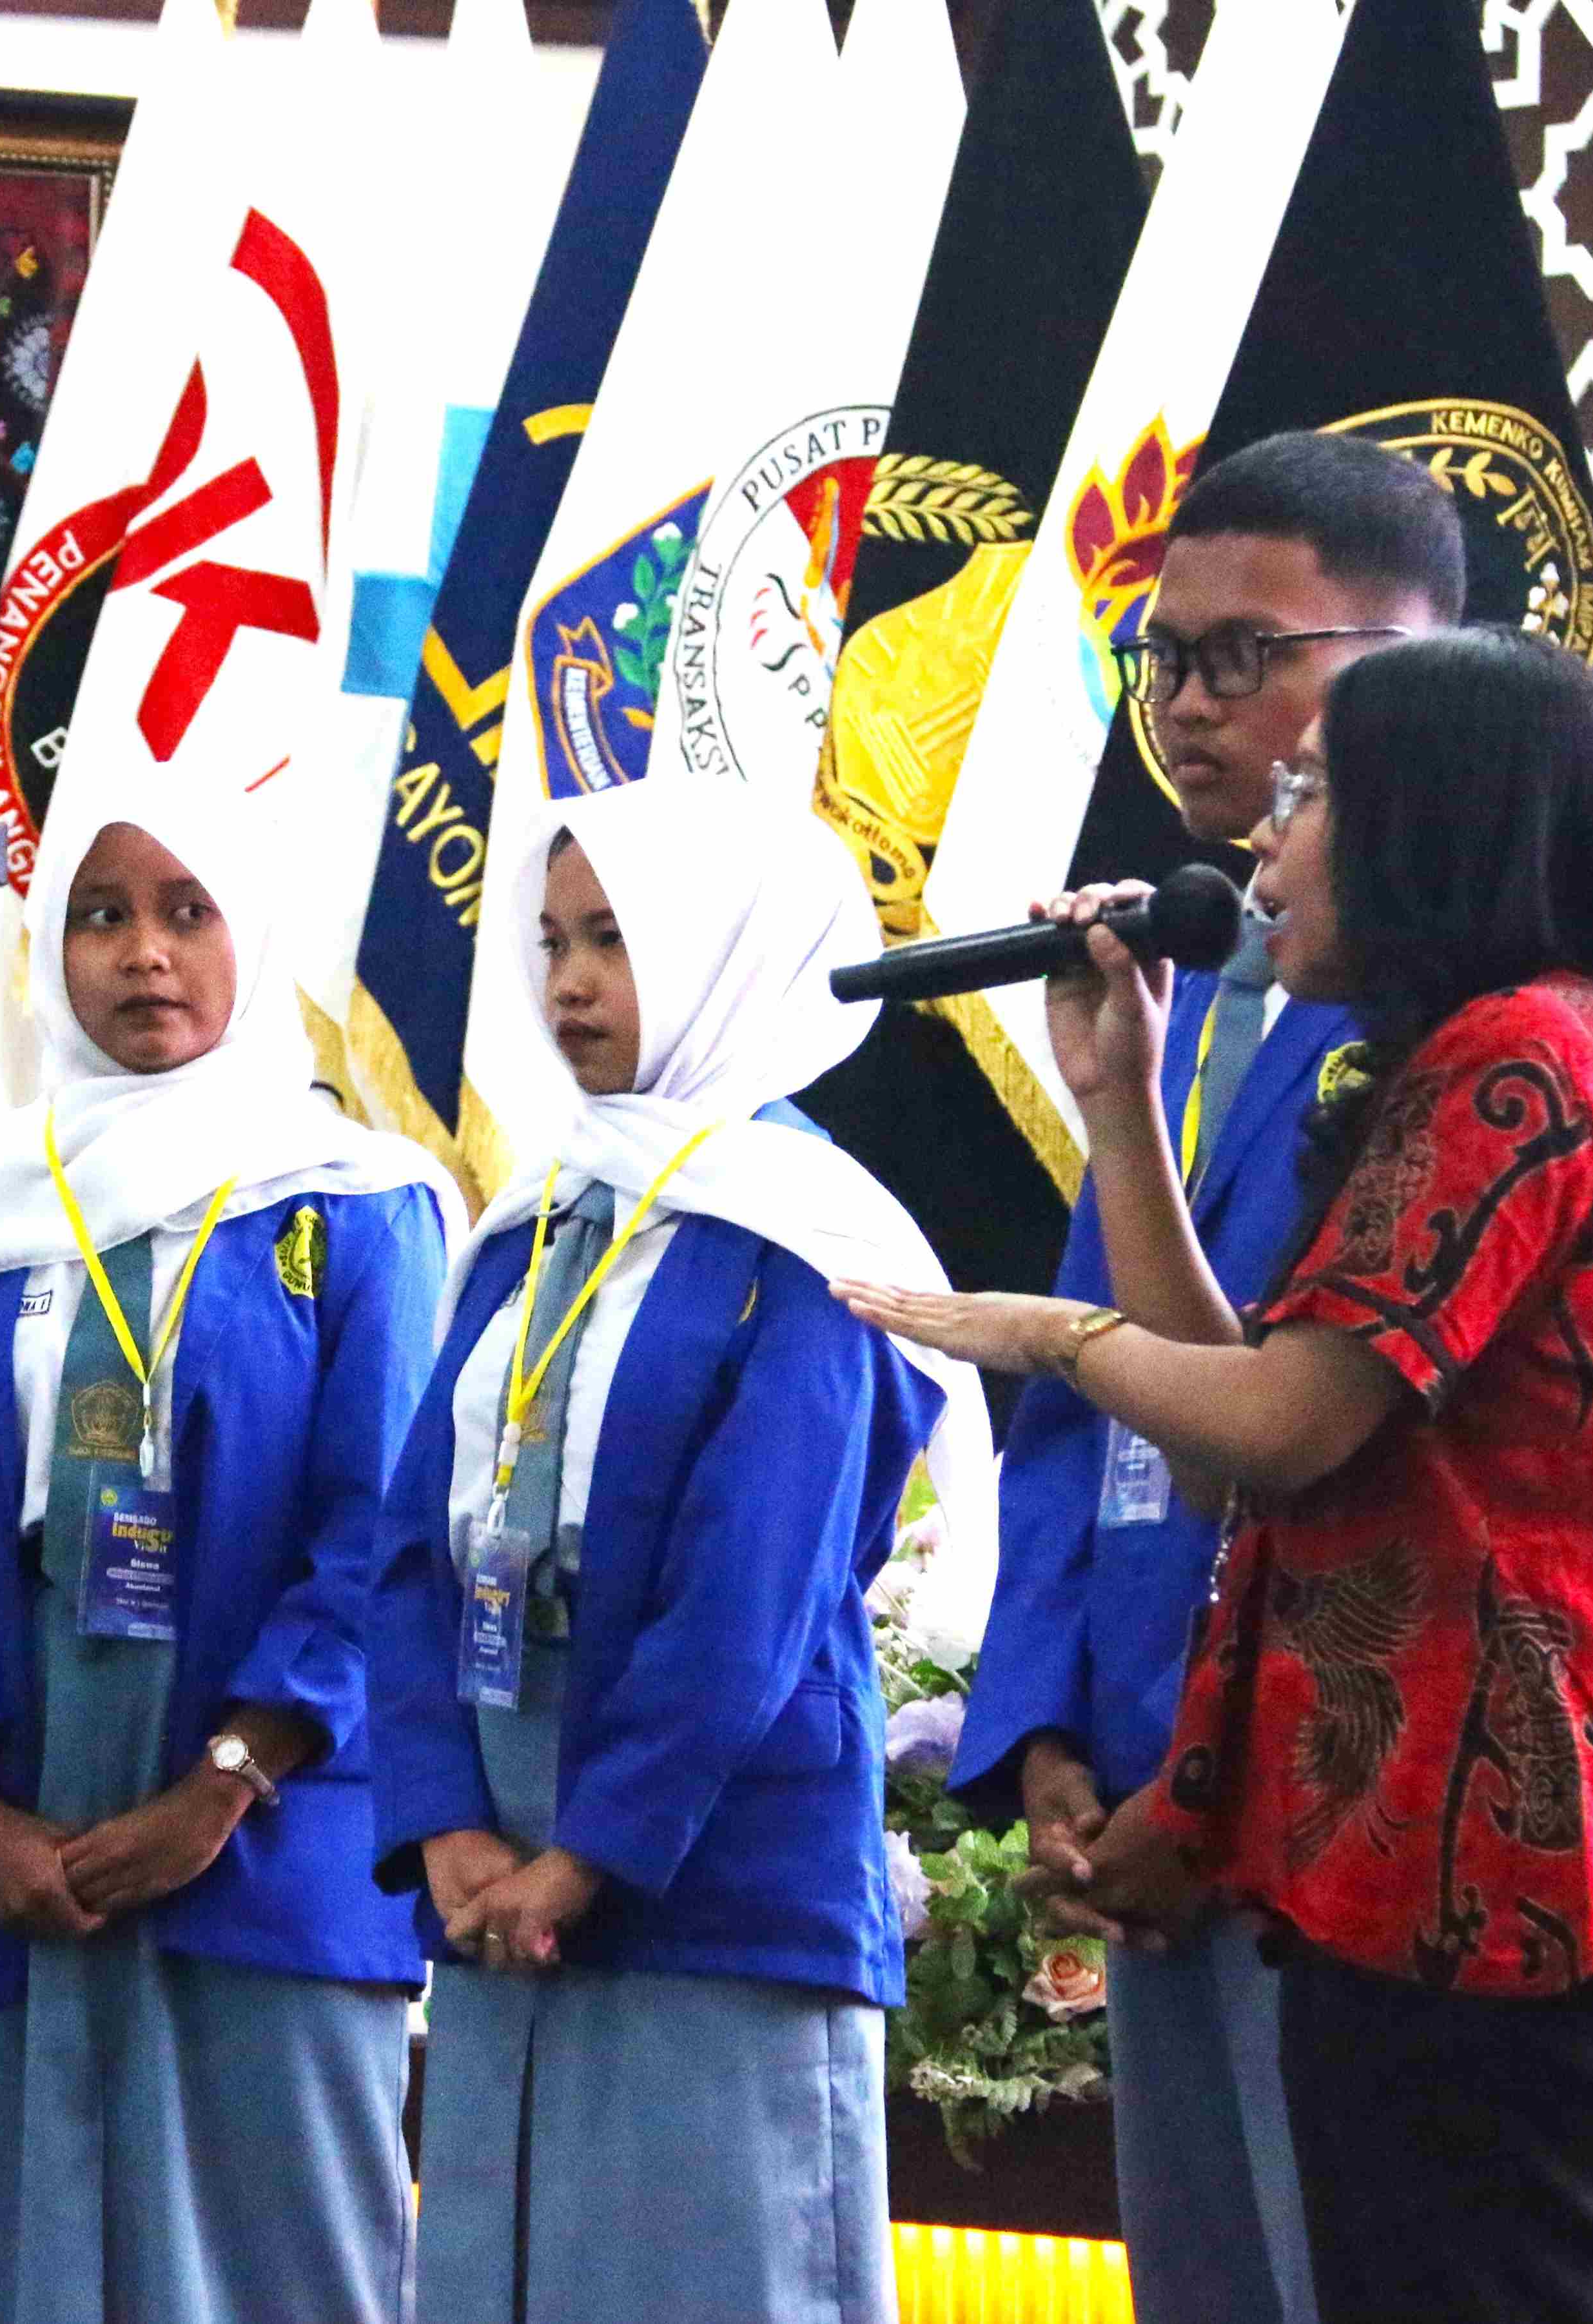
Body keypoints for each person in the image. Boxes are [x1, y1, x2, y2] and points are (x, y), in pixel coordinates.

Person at [841, 629, 1593, 2324]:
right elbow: (1249, 1412)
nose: (1264, 845)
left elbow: (1278, 1421)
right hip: (1448, 1849)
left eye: (1311, 794)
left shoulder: (1519, 1060)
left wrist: (1045, 1334)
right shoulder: (1509, 1048)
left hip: (1508, 1853)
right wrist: (1119, 1105)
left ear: (1432, 817)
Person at [946, 428, 1464, 2324]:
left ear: (1413, 672)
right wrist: (1048, 1734)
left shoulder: (1457, 1033)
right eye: (1161, 657)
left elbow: (1341, 1459)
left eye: (1245, 655)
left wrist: (1210, 1774)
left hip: (1334, 1802)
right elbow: (1080, 1414)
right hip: (1143, 1800)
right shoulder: (1168, 982)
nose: (1182, 703)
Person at [367, 779, 994, 2324]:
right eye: (554, 941)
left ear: (728, 953)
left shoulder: (810, 1238)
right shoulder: (535, 1216)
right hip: (504, 1883)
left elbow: (749, 1599)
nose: (572, 982)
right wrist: (448, 1824)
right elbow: (413, 1543)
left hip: (716, 1890)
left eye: (616, 941)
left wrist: (587, 1856)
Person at [0, 784, 456, 2324]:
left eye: (190, 911)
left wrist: (223, 1782)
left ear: (258, 936)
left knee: (276, 2272)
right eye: (102, 915)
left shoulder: (360, 1200)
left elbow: (379, 1527)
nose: (144, 953)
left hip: (270, 1821)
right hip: (5, 1818)